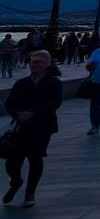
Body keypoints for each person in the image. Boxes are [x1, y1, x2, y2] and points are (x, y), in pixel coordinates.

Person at [3, 50, 62, 208]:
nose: (34, 65)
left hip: (42, 126)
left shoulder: (54, 83)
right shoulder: (21, 83)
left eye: (38, 62)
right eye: (33, 62)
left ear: (47, 64)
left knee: (35, 158)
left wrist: (32, 113)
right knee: (12, 161)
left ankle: (30, 193)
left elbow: (55, 103)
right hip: (20, 127)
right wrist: (17, 114)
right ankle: (16, 182)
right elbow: (9, 103)